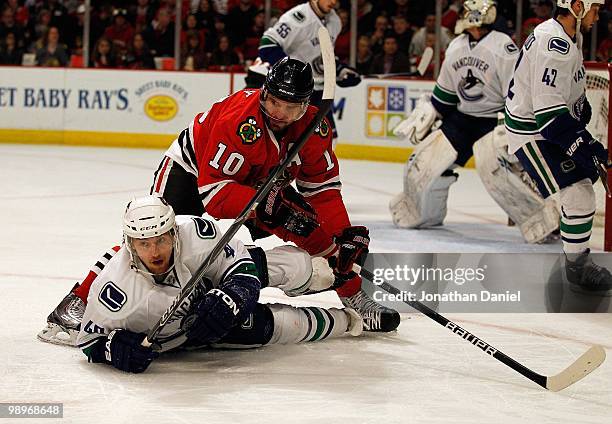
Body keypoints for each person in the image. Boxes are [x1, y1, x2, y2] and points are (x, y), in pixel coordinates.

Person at [39, 57, 400, 347]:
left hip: (258, 182)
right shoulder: (240, 121)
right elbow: (214, 196)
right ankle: (79, 299)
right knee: (155, 237)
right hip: (192, 170)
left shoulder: (315, 128)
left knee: (314, 229)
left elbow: (322, 190)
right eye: (273, 101)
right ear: (264, 93)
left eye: (290, 107)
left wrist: (342, 236)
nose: (280, 114)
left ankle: (354, 297)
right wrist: (268, 208)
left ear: (305, 106)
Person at [75, 195, 362, 374]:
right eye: (144, 244)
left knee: (298, 266)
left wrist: (234, 295)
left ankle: (337, 272)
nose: (155, 253)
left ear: (174, 233)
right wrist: (113, 349)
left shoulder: (195, 233)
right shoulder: (114, 289)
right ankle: (351, 321)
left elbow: (241, 264)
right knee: (282, 325)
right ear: (130, 244)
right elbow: (89, 342)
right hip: (189, 336)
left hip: (217, 287)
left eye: (161, 239)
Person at [391, 0, 560, 244]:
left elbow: (516, 94)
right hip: (462, 118)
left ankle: (543, 220)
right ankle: (423, 213)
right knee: (425, 162)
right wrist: (432, 110)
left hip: (493, 120)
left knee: (495, 172)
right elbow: (447, 93)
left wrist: (510, 125)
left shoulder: (503, 47)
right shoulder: (456, 46)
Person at [504, 0, 612, 295]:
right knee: (578, 192)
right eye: (594, 8)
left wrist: (579, 110)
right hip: (532, 132)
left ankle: (578, 259)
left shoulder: (566, 35)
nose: (597, 15)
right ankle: (578, 269)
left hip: (543, 126)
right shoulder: (555, 45)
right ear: (577, 6)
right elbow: (549, 118)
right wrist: (584, 144)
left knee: (583, 188)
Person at [251, 0, 362, 140]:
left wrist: (340, 70)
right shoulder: (297, 19)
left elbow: (323, 56)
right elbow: (267, 45)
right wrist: (291, 71)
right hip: (295, 92)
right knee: (289, 137)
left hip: (319, 90)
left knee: (328, 137)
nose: (334, 2)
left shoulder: (335, 21)